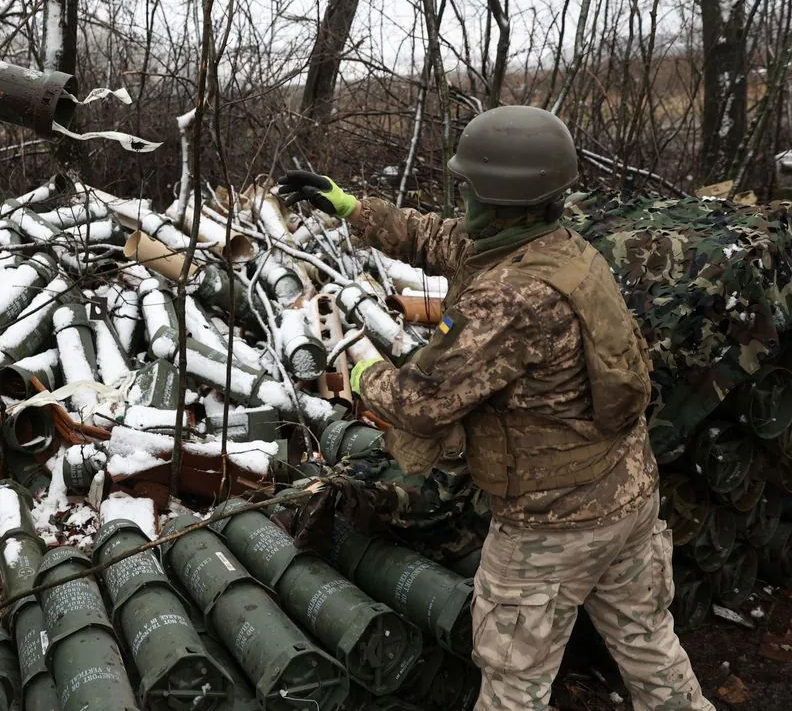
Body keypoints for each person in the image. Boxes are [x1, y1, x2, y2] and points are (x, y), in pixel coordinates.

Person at [277, 106, 714, 711]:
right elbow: (443, 240)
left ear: (500, 197)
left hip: (551, 524)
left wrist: (359, 371)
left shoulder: (512, 298)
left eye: (467, 188)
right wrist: (351, 208)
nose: (461, 199)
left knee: (513, 684)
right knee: (647, 643)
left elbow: (425, 404)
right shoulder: (556, 248)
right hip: (626, 494)